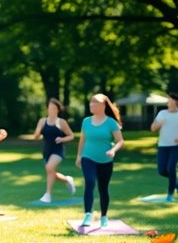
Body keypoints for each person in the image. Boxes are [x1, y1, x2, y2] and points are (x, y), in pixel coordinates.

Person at [74, 93, 124, 228]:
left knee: (103, 188)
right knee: (90, 182)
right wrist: (79, 156)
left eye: (94, 102)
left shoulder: (111, 123)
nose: (91, 104)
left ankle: (104, 216)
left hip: (105, 160)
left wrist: (113, 150)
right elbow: (82, 139)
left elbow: (120, 141)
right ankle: (87, 215)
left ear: (103, 105)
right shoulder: (86, 121)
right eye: (91, 102)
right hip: (88, 157)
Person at [31, 98, 76, 203]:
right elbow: (36, 135)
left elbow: (71, 136)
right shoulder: (42, 121)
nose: (51, 110)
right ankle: (67, 180)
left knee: (49, 168)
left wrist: (62, 139)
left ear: (58, 110)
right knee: (51, 172)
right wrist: (36, 135)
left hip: (58, 150)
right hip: (46, 150)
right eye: (50, 108)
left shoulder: (61, 122)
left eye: (54, 108)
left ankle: (48, 195)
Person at [150, 92, 178, 201]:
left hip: (175, 146)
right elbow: (153, 128)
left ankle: (170, 194)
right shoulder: (162, 113)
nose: (168, 101)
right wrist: (159, 124)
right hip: (162, 146)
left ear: (176, 102)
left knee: (171, 168)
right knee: (162, 171)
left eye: (170, 99)